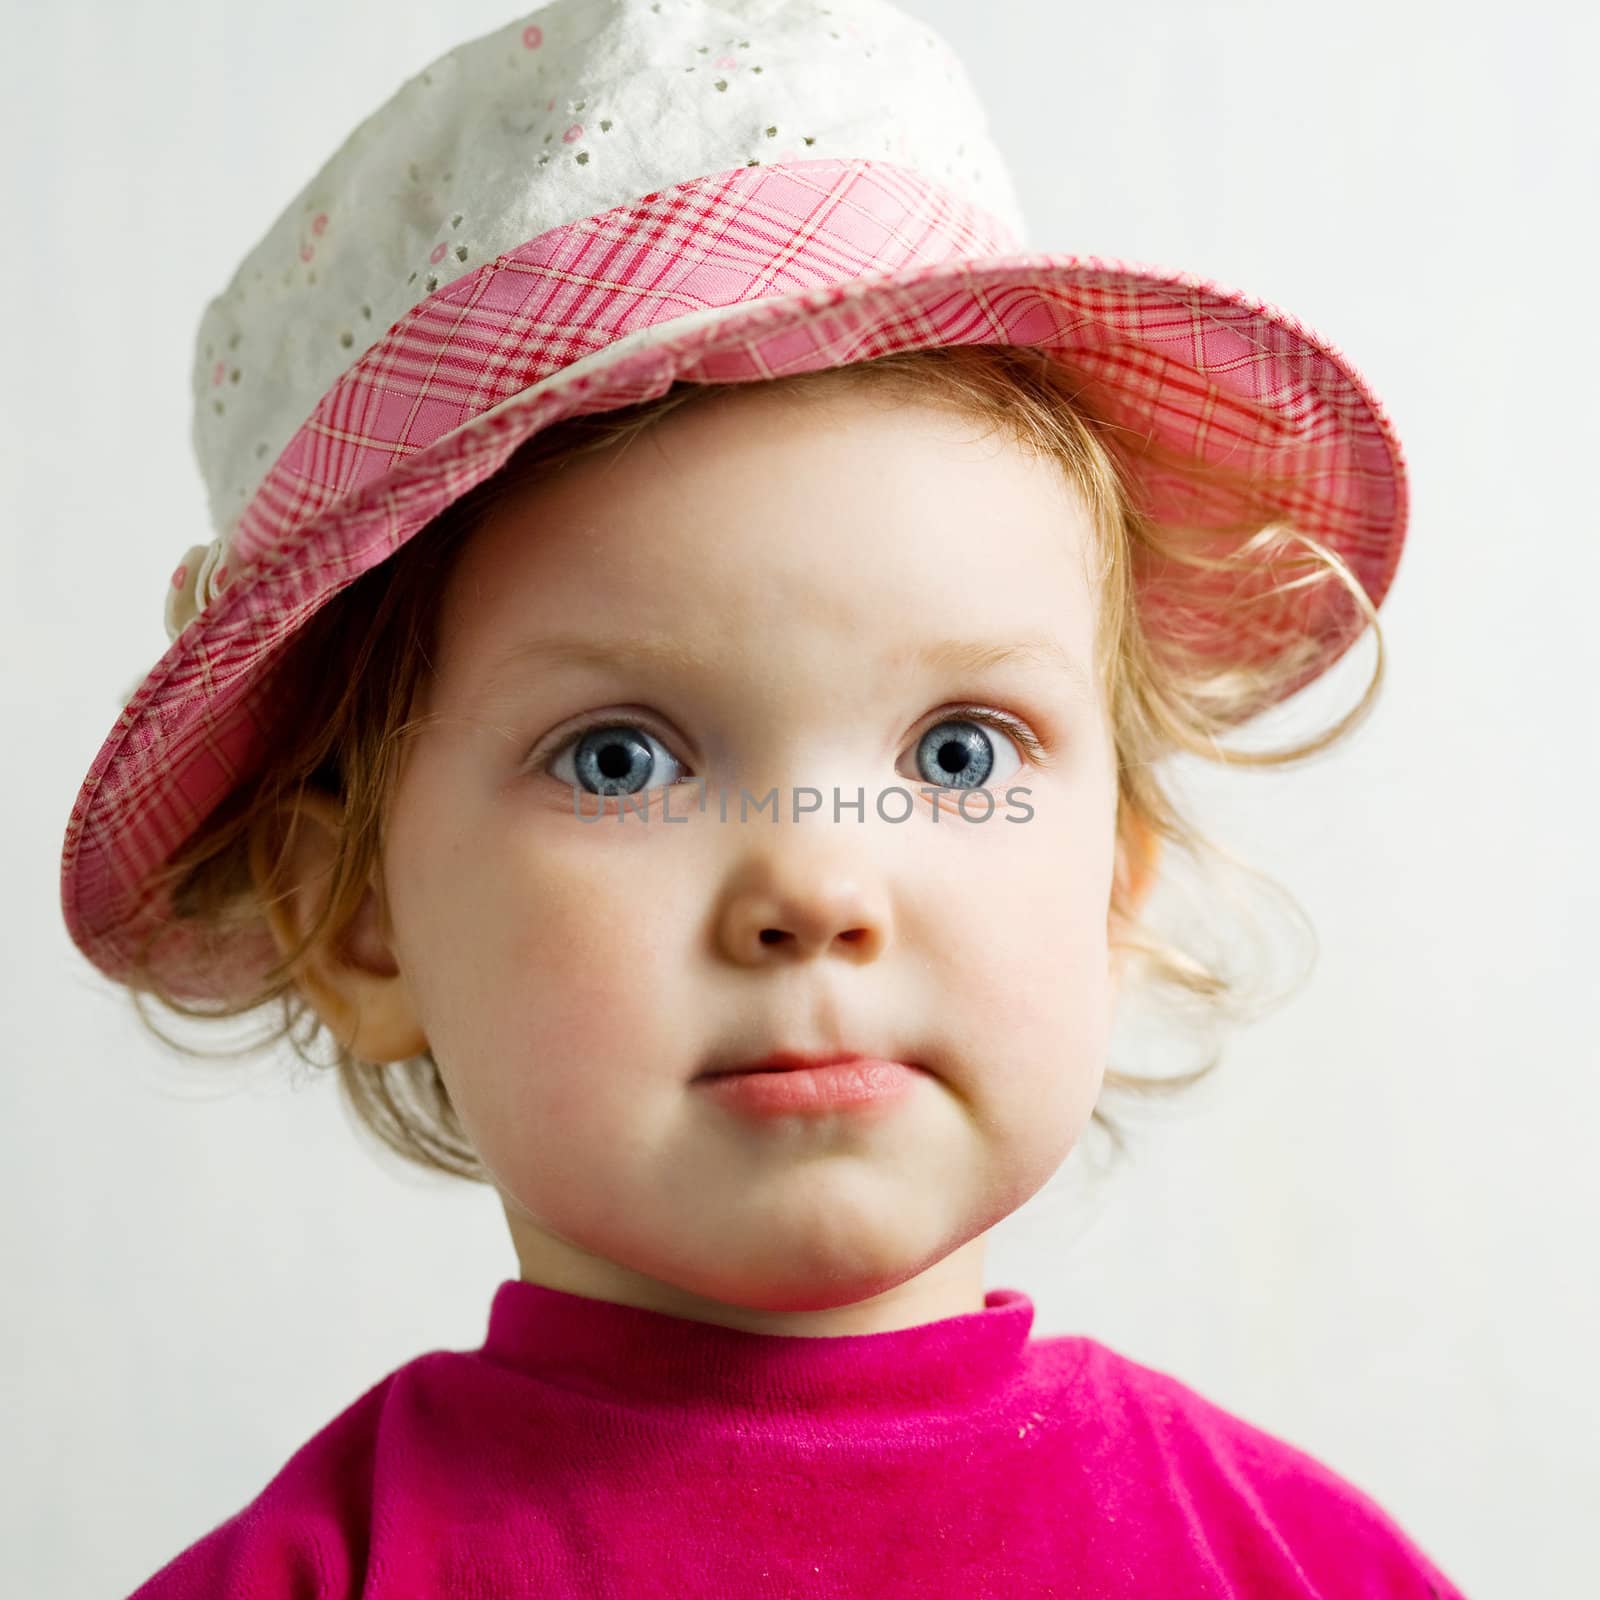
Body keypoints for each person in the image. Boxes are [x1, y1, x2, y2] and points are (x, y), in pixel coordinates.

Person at [60, 0, 1467, 1594]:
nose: (819, 884)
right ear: (361, 922)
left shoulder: (1291, 1563)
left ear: (1118, 881)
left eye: (959, 753)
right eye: (622, 758)